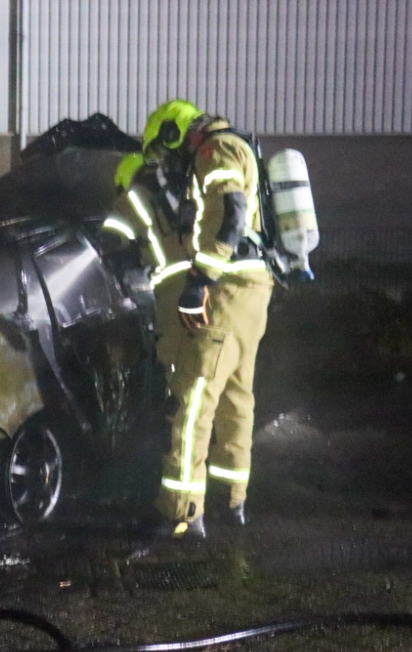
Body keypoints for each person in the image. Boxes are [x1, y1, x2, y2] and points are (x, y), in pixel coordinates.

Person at [133, 99, 274, 539]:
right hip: (252, 288)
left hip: (227, 289)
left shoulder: (213, 151)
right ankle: (234, 504)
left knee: (192, 405)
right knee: (237, 401)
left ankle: (180, 512)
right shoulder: (236, 147)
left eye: (165, 149)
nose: (169, 161)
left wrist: (201, 277)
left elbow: (229, 213)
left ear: (176, 135)